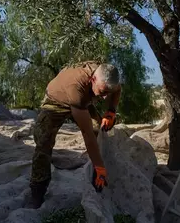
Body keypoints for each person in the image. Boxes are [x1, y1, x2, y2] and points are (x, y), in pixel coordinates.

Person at [27, 62, 122, 209]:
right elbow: (87, 135)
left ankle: (98, 179)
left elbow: (117, 89)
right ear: (93, 80)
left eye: (107, 93)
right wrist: (99, 166)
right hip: (56, 101)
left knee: (100, 131)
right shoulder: (76, 88)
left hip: (83, 99)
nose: (104, 98)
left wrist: (111, 111)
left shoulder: (105, 76)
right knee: (43, 143)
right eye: (103, 92)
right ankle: (37, 191)